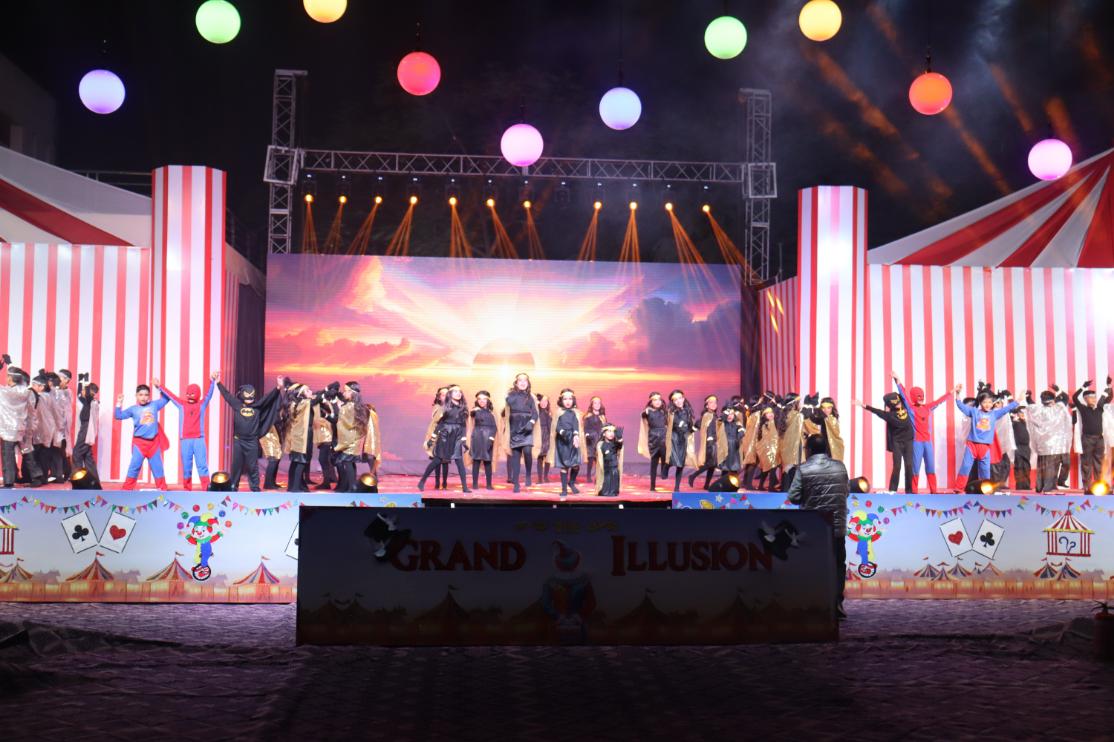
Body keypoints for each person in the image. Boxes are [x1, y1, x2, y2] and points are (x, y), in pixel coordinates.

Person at [788, 434, 850, 619]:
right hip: (837, 527)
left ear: (808, 450)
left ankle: (814, 604)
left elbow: (793, 497)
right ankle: (836, 604)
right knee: (837, 565)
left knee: (812, 566)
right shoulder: (840, 467)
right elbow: (846, 492)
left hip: (813, 528)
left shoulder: (803, 469)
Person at [216, 376, 283, 492]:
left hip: (252, 441)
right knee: (236, 465)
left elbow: (268, 397)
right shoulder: (237, 405)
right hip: (238, 440)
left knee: (252, 466)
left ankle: (255, 487)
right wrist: (218, 382)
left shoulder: (258, 406)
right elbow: (227, 395)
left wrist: (278, 387)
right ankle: (233, 486)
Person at [892, 372, 952, 493]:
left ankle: (934, 490)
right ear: (914, 397)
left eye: (922, 396)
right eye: (918, 396)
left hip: (928, 442)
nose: (921, 398)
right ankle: (914, 491)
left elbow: (939, 401)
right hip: (917, 442)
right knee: (915, 468)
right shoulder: (911, 408)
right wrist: (897, 380)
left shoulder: (927, 407)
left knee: (930, 466)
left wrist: (951, 392)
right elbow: (903, 395)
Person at [953, 385, 1019, 492]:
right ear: (980, 402)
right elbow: (961, 406)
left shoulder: (994, 414)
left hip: (985, 447)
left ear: (992, 403)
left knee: (985, 471)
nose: (987, 404)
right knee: (965, 467)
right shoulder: (974, 412)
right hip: (972, 445)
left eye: (989, 402)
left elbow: (1007, 409)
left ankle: (985, 490)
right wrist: (957, 394)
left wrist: (1018, 400)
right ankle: (958, 488)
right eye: (984, 402)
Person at [157, 374, 217, 490]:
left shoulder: (202, 404)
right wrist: (160, 386)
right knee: (186, 467)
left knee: (202, 465)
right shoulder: (182, 404)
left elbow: (208, 394)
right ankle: (187, 489)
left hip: (199, 439)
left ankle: (206, 488)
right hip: (185, 440)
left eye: (192, 394)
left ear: (197, 394)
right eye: (188, 394)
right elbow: (171, 396)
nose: (189, 396)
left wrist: (212, 381)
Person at [114, 382, 171, 490]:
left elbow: (167, 398)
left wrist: (159, 386)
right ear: (136, 396)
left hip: (153, 444)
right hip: (139, 444)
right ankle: (126, 491)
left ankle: (163, 491)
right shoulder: (133, 409)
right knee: (134, 468)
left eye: (146, 395)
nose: (143, 397)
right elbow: (118, 416)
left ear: (149, 396)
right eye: (140, 395)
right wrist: (119, 403)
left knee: (158, 468)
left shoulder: (154, 405)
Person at [855, 393, 915, 493]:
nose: (899, 404)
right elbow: (877, 411)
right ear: (891, 405)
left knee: (909, 466)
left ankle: (909, 491)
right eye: (896, 403)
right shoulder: (889, 415)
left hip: (908, 441)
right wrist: (864, 405)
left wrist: (898, 383)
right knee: (897, 466)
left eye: (899, 402)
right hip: (897, 443)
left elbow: (903, 394)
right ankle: (892, 490)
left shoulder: (905, 408)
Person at [418, 384, 470, 493]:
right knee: (437, 460)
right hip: (445, 436)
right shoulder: (444, 408)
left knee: (459, 462)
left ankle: (465, 487)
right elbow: (439, 425)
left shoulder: (464, 409)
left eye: (460, 392)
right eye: (455, 391)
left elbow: (463, 425)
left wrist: (464, 440)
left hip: (457, 437)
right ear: (450, 394)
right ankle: (422, 481)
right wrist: (432, 440)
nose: (458, 393)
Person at [0, 359, 38, 488]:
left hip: (7, 430)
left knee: (8, 455)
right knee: (27, 452)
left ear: (11, 378)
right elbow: (32, 410)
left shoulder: (5, 392)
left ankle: (9, 481)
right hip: (22, 427)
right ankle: (37, 477)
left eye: (7, 376)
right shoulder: (27, 392)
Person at [1026, 388, 1072, 492]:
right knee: (1051, 467)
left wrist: (1028, 397)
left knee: (1046, 467)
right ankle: (1048, 487)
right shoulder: (1057, 408)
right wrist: (1058, 390)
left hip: (1048, 446)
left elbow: (1031, 404)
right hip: (1053, 446)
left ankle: (1043, 486)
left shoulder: (1041, 410)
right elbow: (1065, 397)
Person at [500, 373, 539, 493]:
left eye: (525, 380)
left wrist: (531, 422)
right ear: (516, 383)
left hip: (527, 428)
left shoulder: (530, 397)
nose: (522, 382)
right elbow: (509, 406)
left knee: (527, 451)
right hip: (515, 429)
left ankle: (528, 474)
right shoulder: (511, 395)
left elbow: (535, 413)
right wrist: (513, 393)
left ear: (528, 383)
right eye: (520, 381)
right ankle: (516, 483)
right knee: (515, 456)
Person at [1073, 378, 1112, 490]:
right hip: (1087, 439)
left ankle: (1099, 486)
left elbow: (1108, 397)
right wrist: (1083, 387)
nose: (1094, 399)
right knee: (1086, 463)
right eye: (1091, 397)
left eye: (1095, 397)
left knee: (1099, 463)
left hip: (1099, 439)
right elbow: (1074, 397)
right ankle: (1087, 487)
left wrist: (1109, 386)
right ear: (1085, 399)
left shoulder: (1100, 408)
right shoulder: (1083, 408)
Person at [334, 381, 372, 493]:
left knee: (347, 462)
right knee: (350, 463)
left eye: (346, 391)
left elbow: (344, 423)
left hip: (349, 439)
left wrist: (339, 407)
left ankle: (352, 487)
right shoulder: (359, 406)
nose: (344, 393)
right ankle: (352, 486)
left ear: (352, 392)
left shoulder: (348, 407)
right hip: (355, 438)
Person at [549, 388, 586, 497]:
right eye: (565, 399)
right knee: (564, 465)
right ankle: (564, 489)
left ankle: (572, 482)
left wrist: (576, 435)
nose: (568, 401)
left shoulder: (575, 413)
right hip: (562, 442)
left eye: (570, 399)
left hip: (573, 441)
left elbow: (576, 425)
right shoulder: (558, 413)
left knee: (575, 465)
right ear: (561, 400)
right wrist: (562, 432)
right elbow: (556, 426)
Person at [283, 382, 315, 493]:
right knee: (301, 461)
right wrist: (326, 390)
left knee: (296, 462)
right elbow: (318, 398)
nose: (311, 392)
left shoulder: (296, 403)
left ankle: (294, 486)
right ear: (301, 394)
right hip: (302, 435)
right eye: (307, 390)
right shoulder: (304, 403)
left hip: (298, 435)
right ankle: (295, 488)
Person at [664, 389, 696, 492]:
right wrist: (681, 425)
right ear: (673, 402)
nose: (678, 401)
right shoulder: (672, 412)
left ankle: (677, 487)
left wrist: (694, 428)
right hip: (674, 438)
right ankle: (666, 466)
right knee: (673, 458)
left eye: (680, 398)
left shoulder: (688, 411)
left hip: (683, 439)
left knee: (681, 463)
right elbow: (673, 425)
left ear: (683, 398)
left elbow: (689, 428)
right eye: (675, 399)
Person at [72, 374, 101, 485]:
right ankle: (94, 480)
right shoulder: (88, 402)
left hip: (86, 430)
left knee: (77, 453)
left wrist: (85, 382)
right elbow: (79, 395)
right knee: (87, 456)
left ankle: (78, 480)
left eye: (85, 390)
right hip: (85, 429)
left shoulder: (91, 402)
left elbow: (87, 394)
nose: (83, 391)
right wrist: (80, 382)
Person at [689, 395, 721, 490]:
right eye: (711, 402)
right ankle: (693, 476)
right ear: (706, 405)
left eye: (715, 402)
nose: (714, 404)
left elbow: (699, 425)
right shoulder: (708, 415)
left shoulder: (713, 415)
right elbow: (703, 426)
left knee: (712, 465)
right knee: (710, 464)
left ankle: (706, 485)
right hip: (710, 443)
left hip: (714, 442)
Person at [638, 392, 668, 491]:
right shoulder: (648, 411)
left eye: (659, 399)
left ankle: (664, 472)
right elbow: (642, 415)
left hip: (663, 436)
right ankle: (652, 486)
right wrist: (645, 411)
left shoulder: (664, 411)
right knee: (654, 463)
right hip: (653, 438)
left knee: (665, 455)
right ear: (651, 402)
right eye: (655, 400)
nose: (657, 402)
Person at [469, 391, 498, 490]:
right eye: (479, 399)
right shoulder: (475, 411)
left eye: (484, 399)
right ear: (477, 401)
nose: (482, 401)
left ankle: (489, 484)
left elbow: (495, 427)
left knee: (487, 461)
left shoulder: (491, 412)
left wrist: (491, 438)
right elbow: (471, 415)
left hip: (488, 437)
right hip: (477, 437)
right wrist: (474, 411)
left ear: (488, 400)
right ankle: (475, 484)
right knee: (476, 460)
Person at [582, 396, 606, 483]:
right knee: (591, 459)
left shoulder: (602, 417)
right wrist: (587, 434)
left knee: (599, 459)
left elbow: (604, 428)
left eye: (599, 403)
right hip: (591, 439)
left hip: (600, 439)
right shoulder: (588, 416)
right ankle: (588, 476)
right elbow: (585, 428)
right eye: (595, 403)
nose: (597, 404)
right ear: (592, 405)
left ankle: (598, 477)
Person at [596, 423, 624, 497]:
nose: (611, 433)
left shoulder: (615, 444)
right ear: (604, 434)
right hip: (607, 469)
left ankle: (613, 491)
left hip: (614, 468)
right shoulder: (601, 444)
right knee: (606, 486)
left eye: (613, 431)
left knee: (614, 485)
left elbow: (619, 446)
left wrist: (620, 439)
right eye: (609, 431)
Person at [1011, 403, 1032, 490]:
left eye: (1024, 412)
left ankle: (1026, 486)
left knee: (1026, 467)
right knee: (1019, 467)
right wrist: (1013, 414)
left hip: (1026, 447)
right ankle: (1019, 486)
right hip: (1018, 447)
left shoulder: (1027, 423)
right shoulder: (1015, 423)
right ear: (1017, 414)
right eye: (1021, 412)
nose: (1023, 414)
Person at [536, 393, 552, 484]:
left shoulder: (549, 413)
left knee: (548, 457)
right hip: (539, 435)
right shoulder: (536, 412)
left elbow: (551, 426)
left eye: (546, 401)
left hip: (548, 436)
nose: (544, 403)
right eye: (542, 401)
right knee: (540, 457)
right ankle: (540, 478)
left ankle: (545, 476)